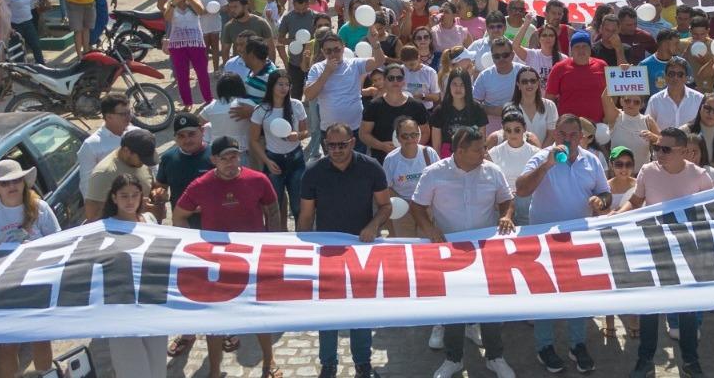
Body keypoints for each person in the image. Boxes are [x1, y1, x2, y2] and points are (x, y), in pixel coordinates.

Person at [411, 127, 517, 378]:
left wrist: (506, 215)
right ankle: (453, 359)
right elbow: (417, 205)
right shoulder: (434, 173)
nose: (485, 152)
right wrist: (429, 228)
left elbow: (507, 199)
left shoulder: (493, 171)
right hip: (449, 251)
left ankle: (495, 357)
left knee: (490, 305)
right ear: (460, 151)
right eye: (478, 149)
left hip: (485, 250)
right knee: (453, 306)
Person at [173, 137, 283, 378]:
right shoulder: (199, 186)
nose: (230, 162)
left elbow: (273, 211)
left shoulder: (258, 179)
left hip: (253, 259)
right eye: (224, 158)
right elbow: (179, 215)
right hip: (216, 263)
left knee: (259, 314)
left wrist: (273, 245)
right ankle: (214, 371)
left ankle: (269, 361)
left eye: (234, 156)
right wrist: (194, 246)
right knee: (215, 320)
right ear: (213, 160)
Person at [616, 127, 714, 378]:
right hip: (653, 248)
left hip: (686, 252)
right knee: (650, 309)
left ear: (683, 151)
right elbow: (637, 201)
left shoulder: (701, 176)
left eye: (665, 149)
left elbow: (711, 211)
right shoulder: (648, 171)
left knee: (687, 311)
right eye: (656, 148)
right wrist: (615, 216)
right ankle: (645, 360)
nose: (658, 153)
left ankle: (690, 361)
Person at [516, 114, 610, 373]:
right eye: (562, 135)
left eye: (573, 136)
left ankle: (577, 344)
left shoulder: (592, 160)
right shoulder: (541, 157)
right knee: (545, 295)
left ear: (581, 137)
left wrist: (600, 201)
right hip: (544, 241)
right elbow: (521, 190)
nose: (568, 140)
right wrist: (546, 166)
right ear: (555, 135)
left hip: (579, 240)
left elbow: (605, 191)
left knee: (578, 295)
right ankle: (544, 346)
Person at [300, 123, 393, 378]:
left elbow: (385, 206)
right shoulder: (313, 172)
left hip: (361, 250)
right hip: (326, 252)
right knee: (327, 310)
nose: (337, 150)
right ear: (325, 145)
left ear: (352, 142)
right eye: (332, 145)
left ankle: (362, 362)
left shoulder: (371, 168)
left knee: (359, 309)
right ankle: (328, 364)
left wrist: (374, 225)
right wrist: (304, 252)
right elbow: (306, 217)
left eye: (342, 145)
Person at [0, 160, 59, 378]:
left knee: (41, 338)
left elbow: (60, 242)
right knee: (8, 346)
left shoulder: (40, 208)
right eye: (5, 183)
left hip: (37, 284)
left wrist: (39, 249)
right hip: (4, 287)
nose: (12, 187)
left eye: (16, 181)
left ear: (23, 182)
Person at [99, 174, 167, 376]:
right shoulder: (102, 228)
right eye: (124, 196)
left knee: (157, 369)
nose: (130, 201)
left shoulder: (150, 220)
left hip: (152, 303)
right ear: (114, 198)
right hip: (121, 308)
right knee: (132, 370)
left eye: (134, 195)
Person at [250, 69, 308, 224]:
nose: (284, 88)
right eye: (280, 84)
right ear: (271, 86)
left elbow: (306, 131)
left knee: (298, 206)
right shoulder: (261, 110)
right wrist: (267, 162)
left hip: (295, 159)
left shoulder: (296, 105)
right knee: (273, 207)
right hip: (273, 160)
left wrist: (298, 135)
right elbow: (254, 140)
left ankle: (301, 240)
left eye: (287, 85)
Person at [82, 128, 160, 221]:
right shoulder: (104, 173)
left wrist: (157, 193)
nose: (144, 163)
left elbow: (150, 184)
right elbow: (93, 217)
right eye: (142, 158)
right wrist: (136, 207)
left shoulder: (141, 160)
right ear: (127, 151)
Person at [78, 91, 133, 176]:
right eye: (123, 114)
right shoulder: (91, 146)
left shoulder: (136, 132)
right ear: (108, 117)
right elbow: (87, 184)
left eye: (129, 112)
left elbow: (152, 167)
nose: (129, 117)